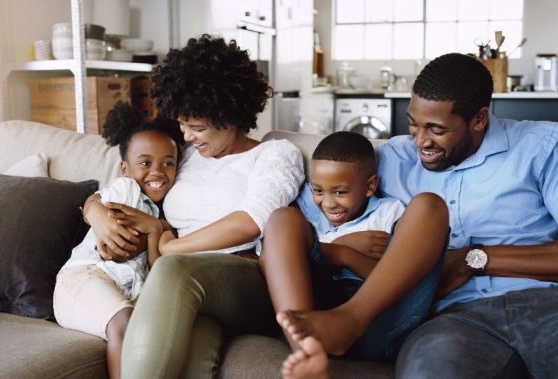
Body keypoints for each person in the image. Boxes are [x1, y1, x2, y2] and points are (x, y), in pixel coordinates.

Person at [81, 34, 305, 378]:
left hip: (244, 277)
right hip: (190, 287)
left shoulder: (274, 154)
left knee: (173, 271)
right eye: (183, 124)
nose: (186, 136)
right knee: (194, 343)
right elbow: (128, 186)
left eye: (197, 127)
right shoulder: (186, 156)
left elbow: (252, 220)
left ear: (230, 114)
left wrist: (172, 248)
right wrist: (93, 209)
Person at [372, 53, 558, 378]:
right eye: (413, 123)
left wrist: (475, 258)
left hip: (547, 304)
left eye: (436, 129)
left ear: (480, 119)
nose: (420, 141)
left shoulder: (542, 148)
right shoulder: (388, 160)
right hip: (454, 320)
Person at [259, 131, 449, 373]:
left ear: (370, 186)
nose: (328, 203)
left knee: (428, 204)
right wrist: (342, 253)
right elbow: (267, 260)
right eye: (318, 191)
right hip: (320, 319)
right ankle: (306, 354)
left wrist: (340, 257)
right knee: (282, 218)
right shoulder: (310, 225)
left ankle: (347, 324)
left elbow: (399, 279)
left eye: (339, 192)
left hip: (383, 318)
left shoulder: (390, 214)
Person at [53, 101, 183, 379]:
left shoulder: (162, 214)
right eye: (145, 162)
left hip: (121, 290)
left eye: (168, 163)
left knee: (152, 332)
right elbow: (113, 251)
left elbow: (156, 270)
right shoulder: (126, 191)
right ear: (125, 169)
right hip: (84, 278)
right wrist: (150, 229)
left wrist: (155, 229)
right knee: (125, 324)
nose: (157, 171)